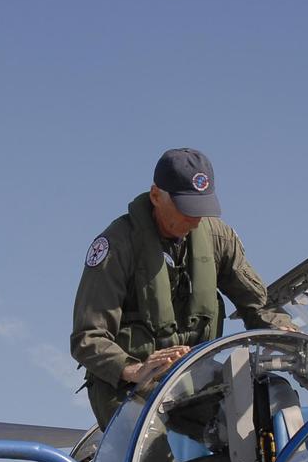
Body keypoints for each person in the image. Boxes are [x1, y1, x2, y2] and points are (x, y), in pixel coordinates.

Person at [71, 147, 292, 428]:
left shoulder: (217, 237)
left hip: (194, 376)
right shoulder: (117, 246)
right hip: (129, 388)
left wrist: (281, 330)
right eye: (186, 209)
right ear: (155, 197)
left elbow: (257, 303)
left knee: (268, 401)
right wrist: (134, 369)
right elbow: (87, 338)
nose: (195, 219)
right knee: (159, 460)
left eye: (202, 209)